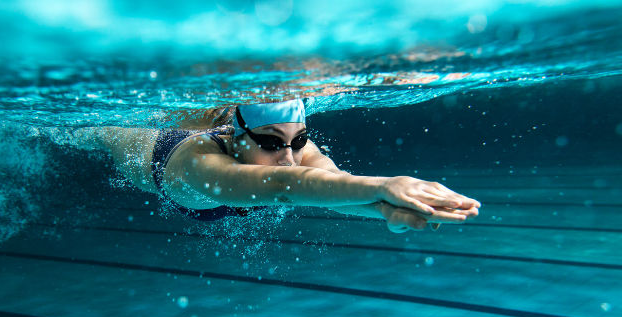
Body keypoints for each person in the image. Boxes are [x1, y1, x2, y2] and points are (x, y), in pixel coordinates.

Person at [82, 98, 480, 232]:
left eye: (299, 140)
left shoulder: (292, 152)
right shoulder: (198, 165)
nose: (289, 156)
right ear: (236, 138)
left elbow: (334, 186)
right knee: (94, 132)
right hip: (144, 149)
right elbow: (283, 186)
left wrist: (388, 212)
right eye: (272, 143)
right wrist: (386, 185)